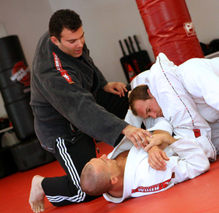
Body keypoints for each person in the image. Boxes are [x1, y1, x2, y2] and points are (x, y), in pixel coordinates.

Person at [28, 9, 151, 213]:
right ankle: (42, 184)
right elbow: (80, 108)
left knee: (129, 99)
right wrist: (124, 128)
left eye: (81, 36)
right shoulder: (50, 71)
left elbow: (85, 61)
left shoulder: (69, 38)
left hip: (83, 100)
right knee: (87, 189)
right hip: (62, 129)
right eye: (72, 41)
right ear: (55, 40)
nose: (80, 44)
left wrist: (102, 83)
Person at [80, 130, 214, 203]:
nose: (104, 156)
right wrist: (168, 140)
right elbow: (198, 163)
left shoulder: (111, 172)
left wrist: (151, 146)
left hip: (158, 124)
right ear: (113, 180)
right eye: (104, 161)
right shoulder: (150, 175)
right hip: (196, 134)